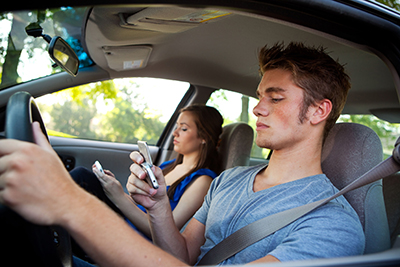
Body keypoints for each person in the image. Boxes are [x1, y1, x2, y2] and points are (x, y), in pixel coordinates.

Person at [0, 42, 365, 266]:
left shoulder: (332, 224)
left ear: (319, 112)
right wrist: (159, 207)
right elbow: (182, 257)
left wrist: (71, 203)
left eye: (276, 97)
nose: (257, 109)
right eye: (259, 96)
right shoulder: (228, 180)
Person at [70, 104, 223, 239]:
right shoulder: (168, 166)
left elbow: (168, 234)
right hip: (124, 221)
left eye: (183, 129)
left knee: (81, 178)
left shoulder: (203, 181)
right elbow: (139, 205)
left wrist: (119, 197)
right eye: (176, 127)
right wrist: (115, 188)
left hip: (135, 239)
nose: (175, 133)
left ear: (204, 137)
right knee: (84, 177)